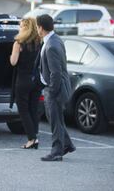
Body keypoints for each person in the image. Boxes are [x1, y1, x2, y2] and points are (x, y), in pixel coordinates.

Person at [35, 14, 76, 161]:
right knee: (56, 119)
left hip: (55, 89)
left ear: (40, 27)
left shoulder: (51, 45)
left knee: (54, 120)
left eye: (37, 27)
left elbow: (56, 72)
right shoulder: (54, 39)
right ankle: (68, 145)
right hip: (55, 87)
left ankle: (57, 151)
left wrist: (51, 92)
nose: (36, 29)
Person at [10, 18, 42, 149]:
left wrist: (10, 56)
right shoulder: (39, 42)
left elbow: (13, 62)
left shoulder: (19, 43)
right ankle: (35, 135)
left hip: (23, 80)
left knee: (23, 110)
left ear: (25, 28)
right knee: (33, 108)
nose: (19, 28)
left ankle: (31, 139)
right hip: (37, 80)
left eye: (21, 26)